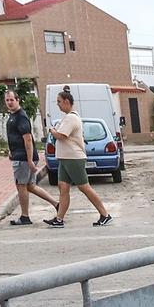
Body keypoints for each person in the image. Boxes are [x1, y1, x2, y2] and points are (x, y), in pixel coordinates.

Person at [47, 87, 113, 228]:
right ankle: (59, 219)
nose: (57, 104)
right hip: (65, 158)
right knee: (63, 187)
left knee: (84, 187)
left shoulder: (71, 118)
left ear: (66, 101)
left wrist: (52, 130)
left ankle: (105, 214)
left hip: (73, 158)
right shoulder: (67, 117)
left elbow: (61, 135)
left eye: (59, 102)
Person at [3, 88, 60, 226]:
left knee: (21, 185)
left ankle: (25, 216)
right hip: (20, 155)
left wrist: (29, 160)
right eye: (7, 100)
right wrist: (12, 151)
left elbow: (27, 139)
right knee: (30, 186)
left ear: (18, 100)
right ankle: (56, 203)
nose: (9, 102)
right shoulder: (13, 116)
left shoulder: (21, 116)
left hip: (23, 158)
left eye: (12, 100)